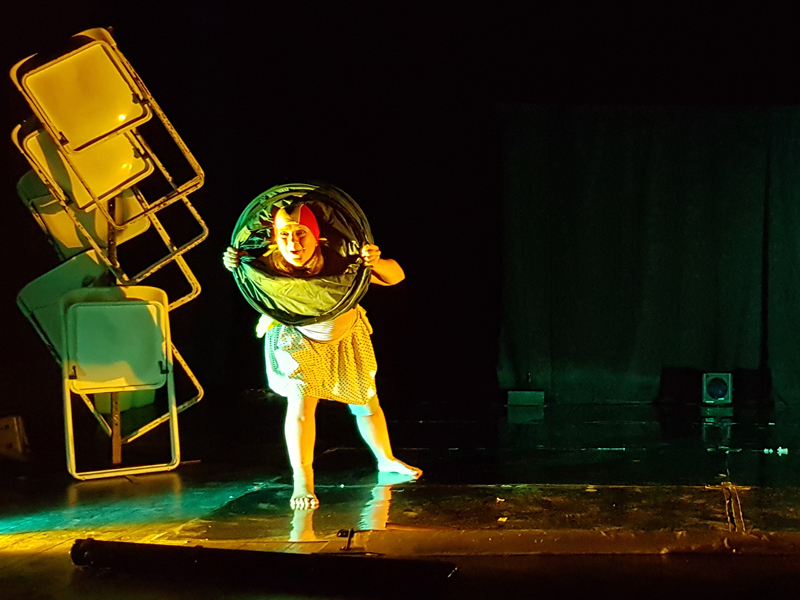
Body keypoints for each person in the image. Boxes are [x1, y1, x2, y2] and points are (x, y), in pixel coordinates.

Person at [223, 202, 421, 509]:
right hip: (296, 338)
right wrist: (233, 261)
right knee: (302, 404)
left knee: (367, 404)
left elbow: (396, 275)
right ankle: (303, 481)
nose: (293, 243)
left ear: (317, 237)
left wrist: (376, 261)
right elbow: (243, 269)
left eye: (301, 234)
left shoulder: (340, 259)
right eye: (285, 235)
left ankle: (385, 459)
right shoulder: (267, 265)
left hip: (345, 336)